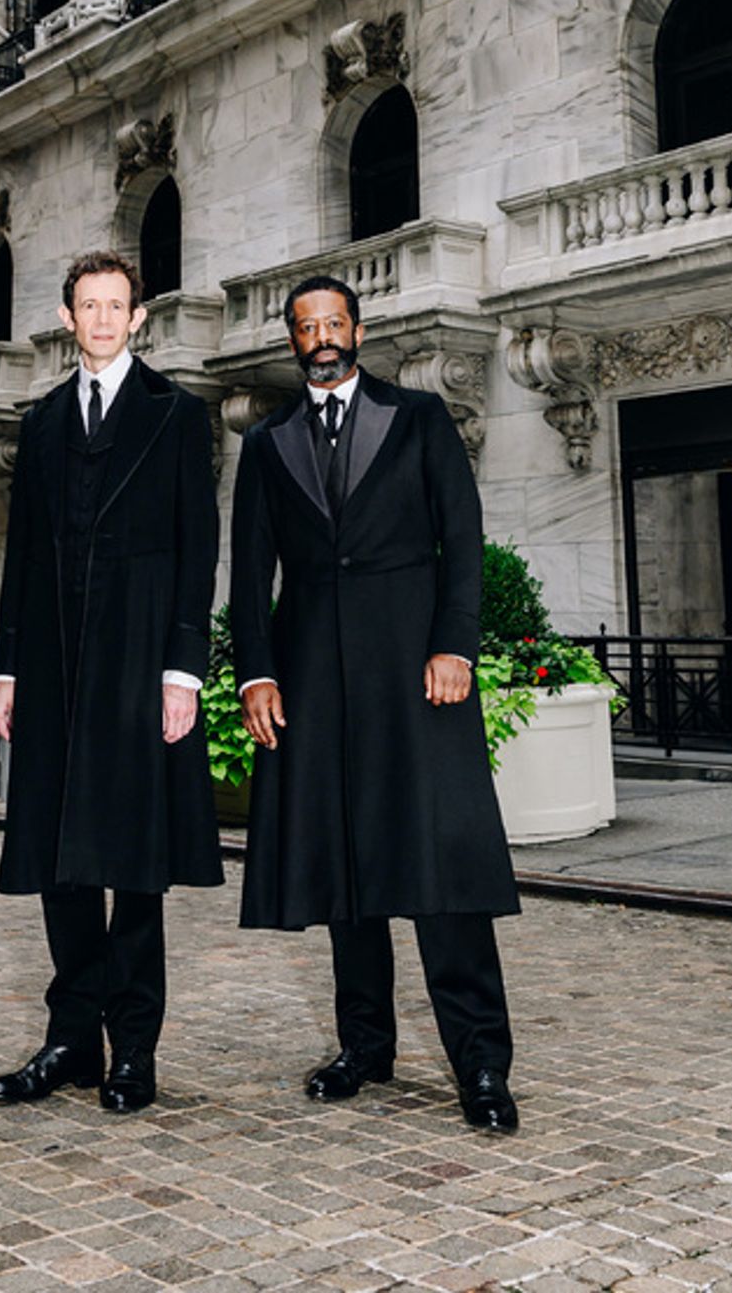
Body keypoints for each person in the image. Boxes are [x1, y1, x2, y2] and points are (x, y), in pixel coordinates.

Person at [230, 276, 520, 1133]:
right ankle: (365, 1045)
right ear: (293, 340)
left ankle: (481, 1064)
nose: (322, 336)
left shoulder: (421, 417)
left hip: (417, 670)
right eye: (306, 325)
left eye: (334, 321)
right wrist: (257, 672)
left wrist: (455, 643)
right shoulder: (267, 441)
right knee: (345, 866)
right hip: (314, 677)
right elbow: (250, 573)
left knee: (442, 871)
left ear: (359, 328)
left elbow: (461, 534)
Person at [0, 250, 222, 1113]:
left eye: (118, 305)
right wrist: (6, 669)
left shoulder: (179, 415)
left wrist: (182, 669)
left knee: (136, 870)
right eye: (90, 305)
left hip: (137, 666)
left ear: (139, 316)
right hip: (50, 669)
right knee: (62, 868)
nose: (105, 318)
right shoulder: (42, 422)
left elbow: (202, 550)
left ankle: (135, 1053)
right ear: (68, 315)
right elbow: (20, 559)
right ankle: (72, 1042)